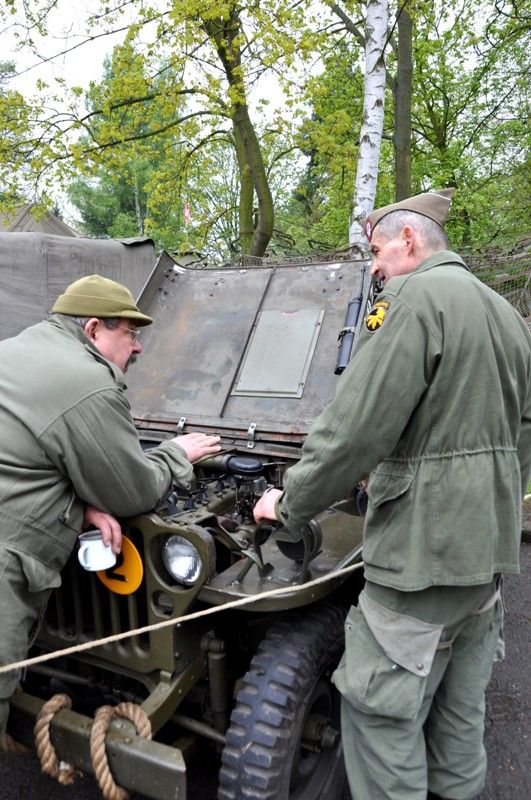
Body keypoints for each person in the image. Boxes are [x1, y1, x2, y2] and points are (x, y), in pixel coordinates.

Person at [254, 189, 531, 800]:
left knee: (381, 721)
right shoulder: (505, 313)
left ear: (409, 241)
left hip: (418, 559)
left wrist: (290, 505)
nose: (373, 268)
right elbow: (524, 427)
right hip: (484, 557)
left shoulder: (408, 301)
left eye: (376, 251)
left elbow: (354, 430)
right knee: (459, 719)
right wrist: (498, 494)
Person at [0, 274, 221, 744]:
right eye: (131, 333)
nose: (139, 348)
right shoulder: (86, 382)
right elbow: (133, 493)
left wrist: (77, 507)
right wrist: (175, 453)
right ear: (94, 329)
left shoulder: (15, 351)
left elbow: (19, 459)